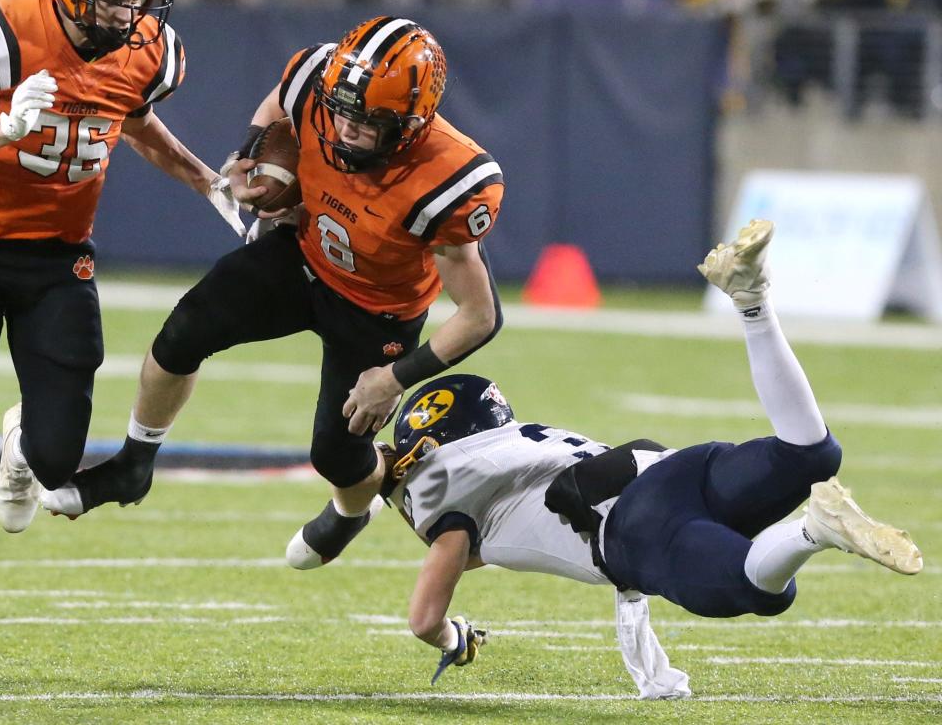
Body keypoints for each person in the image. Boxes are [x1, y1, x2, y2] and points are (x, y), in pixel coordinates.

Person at [379, 220, 922, 697]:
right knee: (812, 453)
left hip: (635, 530)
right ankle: (752, 302)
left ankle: (816, 531)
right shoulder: (520, 444)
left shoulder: (458, 502)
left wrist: (455, 635)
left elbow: (425, 617)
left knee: (759, 589)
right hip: (671, 469)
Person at [41, 16, 505, 567]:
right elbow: (278, 103)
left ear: (411, 124)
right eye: (340, 110)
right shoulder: (314, 78)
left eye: (368, 122)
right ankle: (134, 464)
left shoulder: (450, 181)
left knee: (338, 456)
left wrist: (394, 378)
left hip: (378, 311)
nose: (344, 129)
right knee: (183, 332)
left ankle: (353, 510)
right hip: (302, 256)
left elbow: (479, 314)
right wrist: (250, 154)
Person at [0, 0, 245, 534]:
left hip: (58, 259)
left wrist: (205, 180)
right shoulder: (1, 32)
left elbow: (135, 119)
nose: (130, 9)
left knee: (57, 461)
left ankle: (22, 442)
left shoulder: (150, 50)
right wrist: (5, 127)